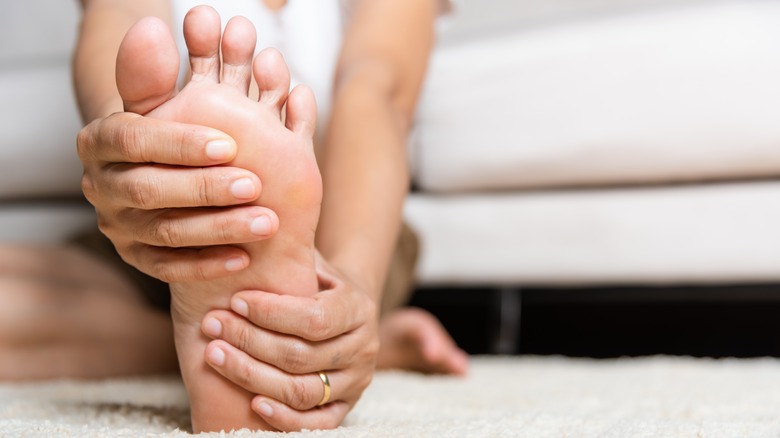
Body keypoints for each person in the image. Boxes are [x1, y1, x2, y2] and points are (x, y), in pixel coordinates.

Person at [0, 0, 467, 432]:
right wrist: (128, 151)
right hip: (162, 222)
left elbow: (376, 90)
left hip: (342, 236)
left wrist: (354, 284)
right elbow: (120, 19)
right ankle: (259, 347)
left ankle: (265, 328)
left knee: (304, 254)